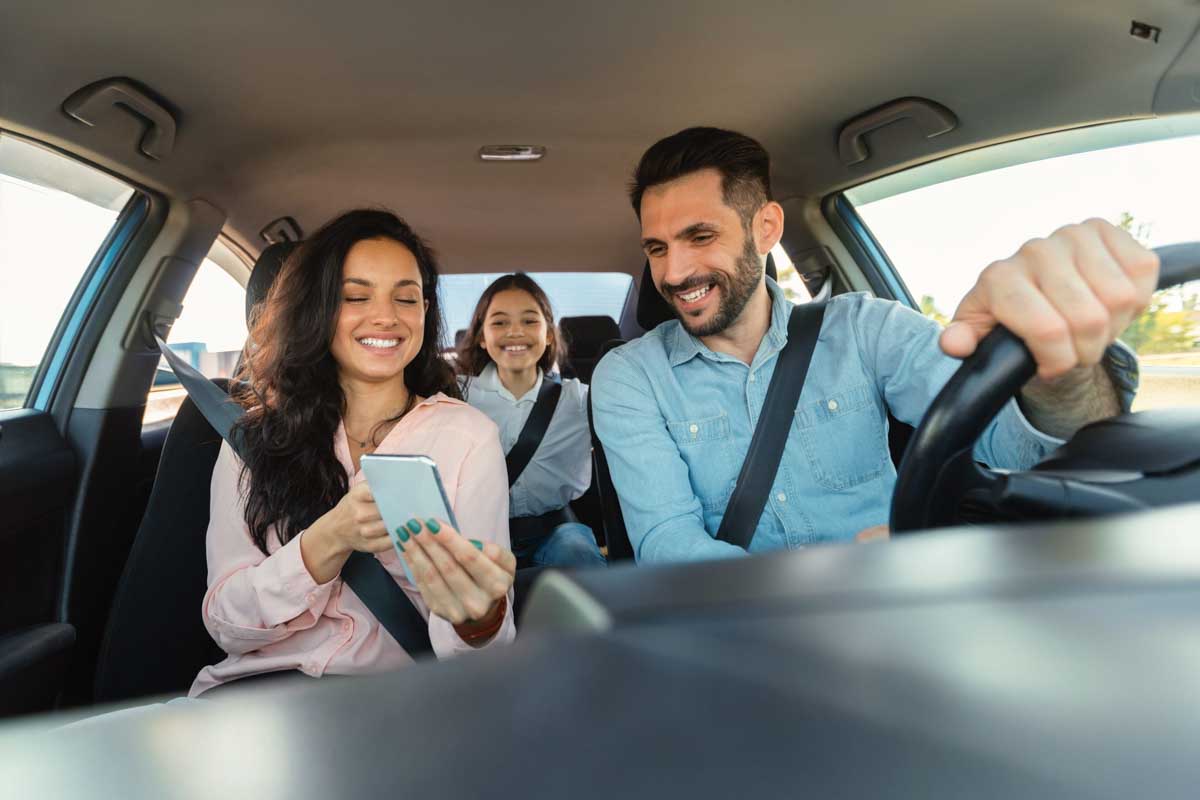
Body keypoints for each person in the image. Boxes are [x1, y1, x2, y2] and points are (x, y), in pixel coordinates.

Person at [590, 127, 1153, 564]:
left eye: (700, 236)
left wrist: (1055, 364)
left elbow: (1016, 452)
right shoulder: (631, 375)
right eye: (657, 248)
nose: (675, 271)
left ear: (765, 228)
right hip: (736, 632)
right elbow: (667, 541)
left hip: (892, 614)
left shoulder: (866, 329)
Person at [191, 209, 516, 696]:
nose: (386, 316)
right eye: (356, 296)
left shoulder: (468, 437)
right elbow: (224, 623)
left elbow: (484, 658)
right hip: (254, 696)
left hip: (394, 703)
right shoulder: (251, 438)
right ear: (318, 309)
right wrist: (329, 538)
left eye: (406, 298)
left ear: (425, 312)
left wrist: (480, 618)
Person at [456, 273, 606, 569]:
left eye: (529, 321)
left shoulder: (578, 400)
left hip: (556, 530)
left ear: (548, 334)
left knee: (576, 551)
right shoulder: (456, 398)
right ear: (482, 337)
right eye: (499, 322)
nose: (515, 332)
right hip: (481, 532)